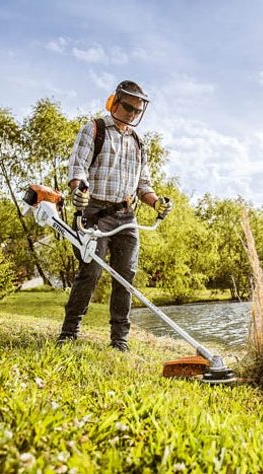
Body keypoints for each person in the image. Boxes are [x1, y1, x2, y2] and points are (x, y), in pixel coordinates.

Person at [57, 80, 172, 351]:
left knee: (126, 275)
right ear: (114, 103)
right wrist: (79, 190)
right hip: (95, 211)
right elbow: (78, 169)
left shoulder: (139, 142)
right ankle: (69, 331)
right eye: (128, 108)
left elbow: (144, 184)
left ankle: (119, 340)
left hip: (126, 215)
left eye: (137, 110)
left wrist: (156, 203)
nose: (132, 114)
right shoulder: (94, 129)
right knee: (91, 272)